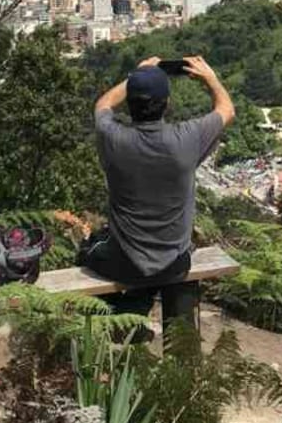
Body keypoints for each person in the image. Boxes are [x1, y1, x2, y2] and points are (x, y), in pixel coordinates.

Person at [80, 55, 235, 338]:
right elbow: (226, 109)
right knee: (157, 260)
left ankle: (120, 319)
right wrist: (210, 79)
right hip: (175, 262)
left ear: (130, 102)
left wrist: (137, 77)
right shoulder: (186, 139)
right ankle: (131, 319)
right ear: (167, 103)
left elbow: (102, 105)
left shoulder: (113, 138)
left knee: (88, 248)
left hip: (124, 262)